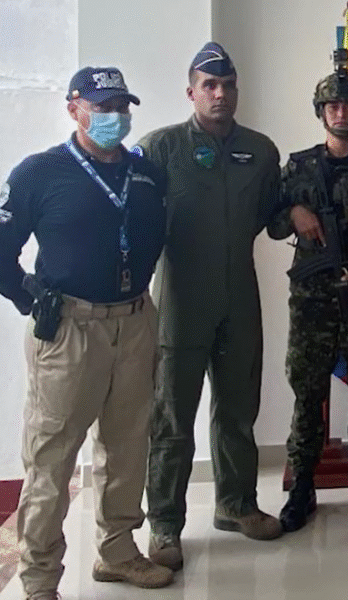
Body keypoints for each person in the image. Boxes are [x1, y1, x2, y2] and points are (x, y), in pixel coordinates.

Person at [0, 67, 174, 599]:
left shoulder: (146, 174)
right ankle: (39, 580)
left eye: (121, 106)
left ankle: (117, 552)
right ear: (74, 108)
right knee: (52, 459)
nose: (113, 116)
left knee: (127, 447)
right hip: (69, 332)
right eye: (102, 106)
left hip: (135, 323)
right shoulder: (39, 172)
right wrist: (30, 297)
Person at [136, 42, 283, 571]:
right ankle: (165, 525)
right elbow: (136, 221)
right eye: (210, 85)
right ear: (191, 92)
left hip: (240, 293)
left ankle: (236, 504)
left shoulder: (260, 150)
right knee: (172, 414)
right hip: (181, 295)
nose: (221, 94)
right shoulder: (160, 148)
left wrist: (301, 211)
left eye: (229, 85)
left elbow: (272, 215)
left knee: (239, 407)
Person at [268, 65, 348, 532]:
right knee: (308, 393)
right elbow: (271, 223)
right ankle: (302, 487)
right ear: (321, 112)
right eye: (332, 105)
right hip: (312, 299)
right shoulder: (298, 167)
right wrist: (294, 212)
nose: (341, 112)